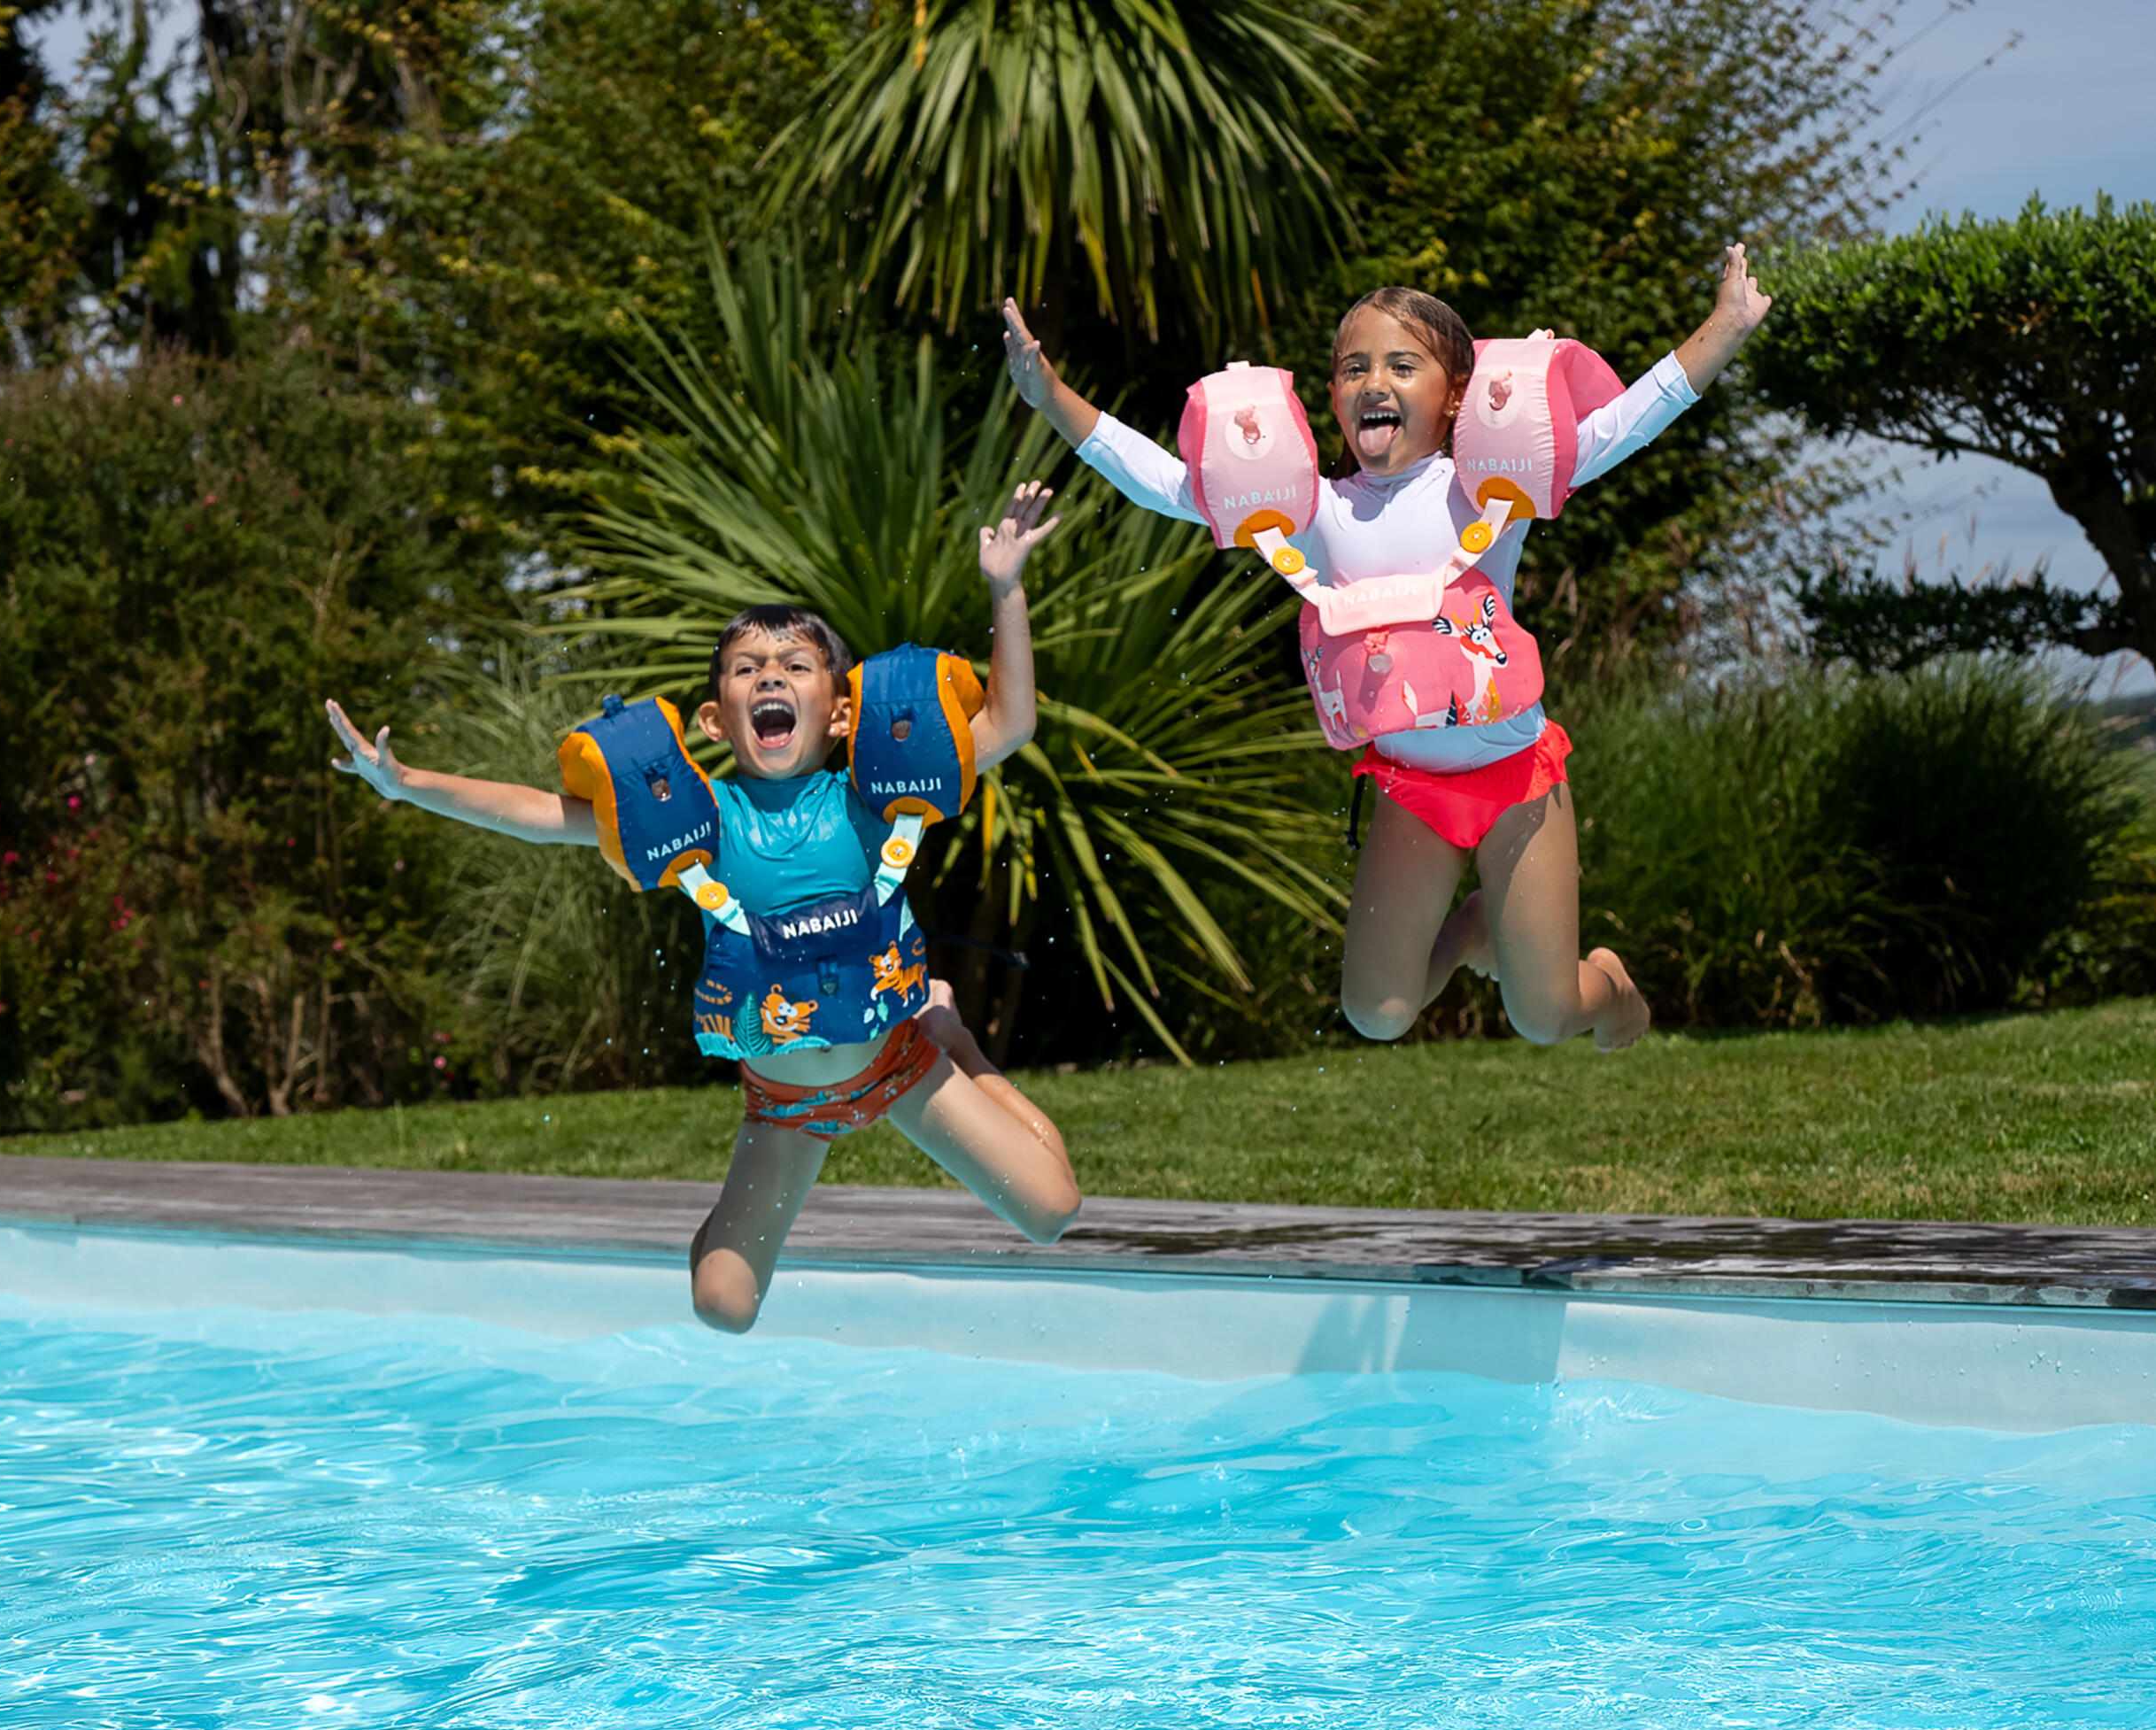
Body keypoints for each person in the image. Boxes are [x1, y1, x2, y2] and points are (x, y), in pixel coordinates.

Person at [324, 485, 1082, 1332]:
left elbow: (1010, 723)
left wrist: (1005, 587)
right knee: (723, 1307)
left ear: (837, 713)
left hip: (902, 1057)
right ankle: (745, 1219)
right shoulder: (704, 822)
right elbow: (540, 817)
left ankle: (958, 1036)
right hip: (783, 1098)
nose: (771, 678)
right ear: (717, 720)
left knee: (1052, 1211)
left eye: (795, 667)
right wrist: (406, 784)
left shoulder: (871, 800)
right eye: (748, 671)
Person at [1001, 246, 1775, 1051]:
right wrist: (1052, 396)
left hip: (1515, 774)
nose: (1374, 382)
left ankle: (1611, 986)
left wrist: (1722, 328)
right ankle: (1477, 930)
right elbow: (1169, 484)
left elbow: (1619, 428)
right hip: (1414, 789)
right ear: (1332, 398)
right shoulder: (1316, 514)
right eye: (1353, 368)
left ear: (1454, 400)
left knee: (1543, 1017)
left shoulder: (1486, 488)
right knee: (1375, 1012)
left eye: (1403, 365)